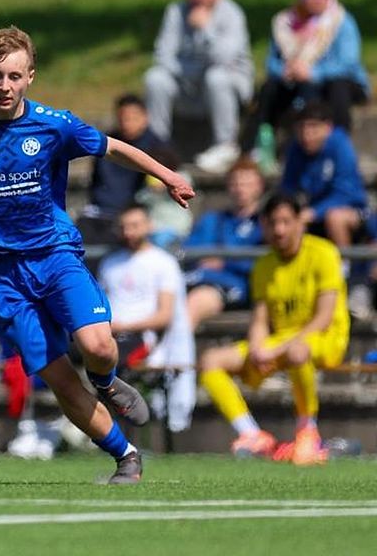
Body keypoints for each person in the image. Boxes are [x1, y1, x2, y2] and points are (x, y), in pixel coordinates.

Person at [0, 26, 195, 484]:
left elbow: (113, 148)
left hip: (54, 256)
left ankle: (106, 381)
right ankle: (126, 457)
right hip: (0, 276)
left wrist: (167, 175)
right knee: (58, 378)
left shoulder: (53, 124)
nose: (4, 86)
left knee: (98, 345)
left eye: (14, 76)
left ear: (30, 76)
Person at [200, 192, 349, 465]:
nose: (279, 230)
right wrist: (258, 348)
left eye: (285, 221)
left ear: (299, 222)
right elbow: (260, 319)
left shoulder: (324, 253)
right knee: (211, 361)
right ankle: (252, 435)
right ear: (265, 226)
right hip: (281, 341)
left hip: (324, 339)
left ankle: (308, 430)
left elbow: (323, 319)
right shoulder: (264, 265)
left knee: (296, 352)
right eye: (273, 223)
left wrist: (275, 350)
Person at [144, 0, 253, 174]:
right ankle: (158, 145)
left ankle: (225, 145)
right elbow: (162, 55)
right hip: (187, 83)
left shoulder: (232, 13)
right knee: (155, 78)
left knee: (216, 77)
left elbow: (223, 58)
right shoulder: (176, 11)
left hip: (228, 87)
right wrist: (191, 72)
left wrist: (206, 28)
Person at [99, 204, 196, 433]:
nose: (129, 232)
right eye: (124, 227)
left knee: (108, 360)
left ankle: (115, 430)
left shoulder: (163, 263)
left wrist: (124, 326)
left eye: (135, 226)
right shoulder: (110, 264)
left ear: (149, 226)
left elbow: (164, 316)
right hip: (110, 335)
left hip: (146, 338)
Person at [250, 0, 369, 139]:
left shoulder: (341, 21)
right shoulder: (285, 22)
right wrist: (285, 71)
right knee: (270, 89)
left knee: (337, 87)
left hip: (337, 81)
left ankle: (339, 140)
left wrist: (313, 73)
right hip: (295, 78)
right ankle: (258, 144)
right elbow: (271, 62)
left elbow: (347, 63)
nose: (317, 0)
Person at [77, 93, 170, 246]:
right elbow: (96, 184)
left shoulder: (159, 148)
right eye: (123, 118)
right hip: (101, 214)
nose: (127, 123)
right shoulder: (108, 144)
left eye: (133, 118)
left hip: (138, 215)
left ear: (145, 117)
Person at [183, 157, 265, 329]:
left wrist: (225, 261)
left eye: (247, 183)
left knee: (195, 303)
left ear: (259, 186)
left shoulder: (265, 224)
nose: (240, 189)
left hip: (231, 286)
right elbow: (188, 251)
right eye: (235, 183)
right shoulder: (211, 220)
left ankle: (170, 356)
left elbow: (262, 262)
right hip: (193, 279)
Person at [280, 100, 366, 252]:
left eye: (313, 126)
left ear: (327, 127)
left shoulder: (340, 145)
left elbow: (345, 193)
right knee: (283, 219)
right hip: (311, 211)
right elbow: (287, 187)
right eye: (301, 127)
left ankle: (343, 268)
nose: (306, 134)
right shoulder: (295, 148)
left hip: (352, 210)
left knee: (334, 218)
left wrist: (314, 212)